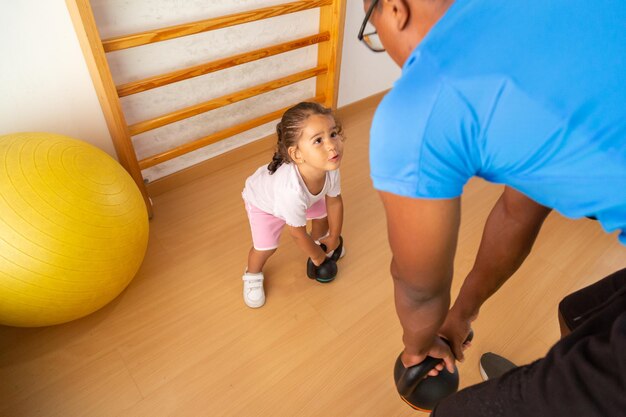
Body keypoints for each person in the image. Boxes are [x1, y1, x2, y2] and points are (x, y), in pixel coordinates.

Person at [358, 0, 626, 414]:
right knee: (579, 317)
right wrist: (461, 314)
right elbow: (520, 209)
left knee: (458, 413)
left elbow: (418, 287)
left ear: (395, 9)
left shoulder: (421, 101)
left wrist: (418, 349)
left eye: (374, 34)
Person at [241, 102, 345, 308]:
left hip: (306, 197)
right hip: (266, 204)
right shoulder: (289, 191)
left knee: (322, 216)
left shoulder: (329, 165)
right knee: (265, 247)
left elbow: (334, 202)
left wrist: (333, 237)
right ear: (297, 154)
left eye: (333, 134)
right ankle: (252, 275)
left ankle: (319, 241)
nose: (332, 145)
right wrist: (319, 259)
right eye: (318, 140)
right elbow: (297, 233)